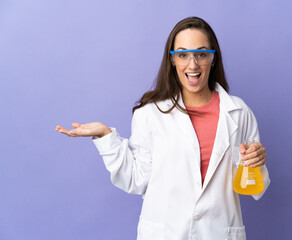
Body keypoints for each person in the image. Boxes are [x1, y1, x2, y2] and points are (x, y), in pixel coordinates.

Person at [55, 16, 270, 240]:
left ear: (213, 59)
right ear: (173, 60)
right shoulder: (150, 114)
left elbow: (254, 187)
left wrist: (258, 163)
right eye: (183, 54)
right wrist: (105, 135)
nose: (192, 64)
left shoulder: (239, 113)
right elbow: (136, 180)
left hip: (218, 232)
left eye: (201, 54)